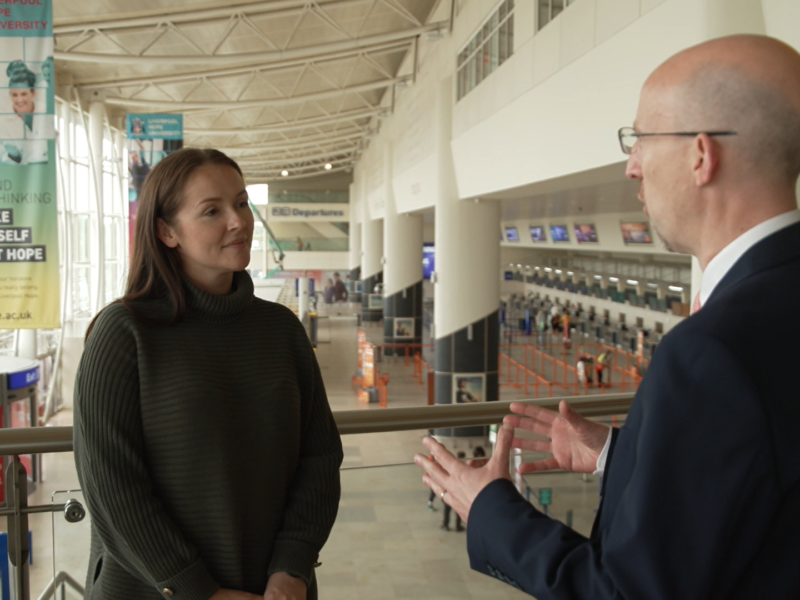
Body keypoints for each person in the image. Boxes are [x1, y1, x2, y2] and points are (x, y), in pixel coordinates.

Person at [415, 35, 800, 599]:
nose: (631, 167)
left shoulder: (709, 353)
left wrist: (488, 510)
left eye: (640, 140)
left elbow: (627, 593)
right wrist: (621, 454)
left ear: (701, 155)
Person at [73, 148, 343, 600]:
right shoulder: (125, 333)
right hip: (155, 589)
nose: (238, 221)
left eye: (241, 203)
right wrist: (196, 590)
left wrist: (293, 566)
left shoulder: (281, 330)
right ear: (166, 231)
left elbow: (318, 458)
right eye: (212, 211)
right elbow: (112, 486)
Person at [0, 61, 50, 165]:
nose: (19, 99)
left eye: (23, 94)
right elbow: (6, 161)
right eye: (14, 95)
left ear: (33, 93)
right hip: (21, 176)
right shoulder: (4, 122)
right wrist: (14, 154)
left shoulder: (46, 111)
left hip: (46, 173)